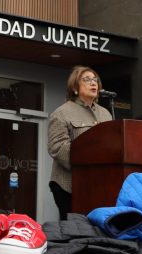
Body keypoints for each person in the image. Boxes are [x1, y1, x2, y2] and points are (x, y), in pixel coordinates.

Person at [47, 65, 111, 220]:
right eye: (87, 80)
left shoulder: (105, 114)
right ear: (75, 88)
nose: (93, 83)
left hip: (98, 184)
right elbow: (57, 147)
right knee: (73, 228)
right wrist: (86, 162)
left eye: (95, 79)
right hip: (68, 185)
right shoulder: (61, 113)